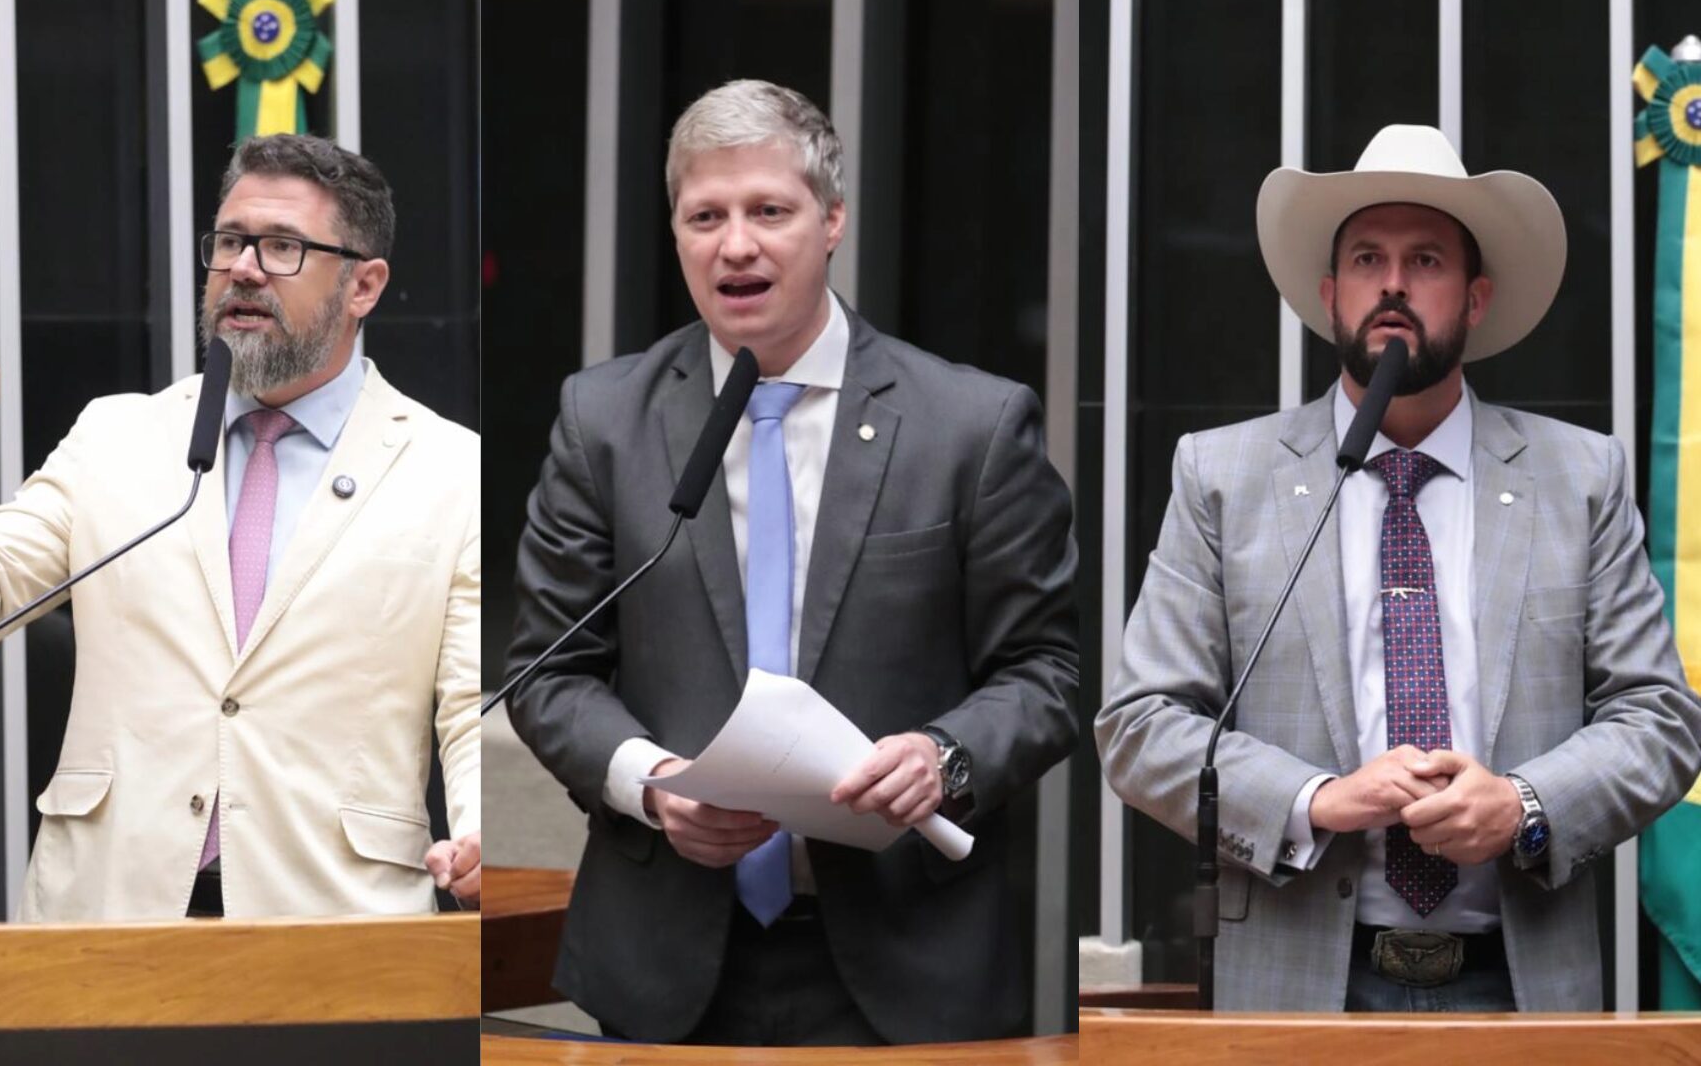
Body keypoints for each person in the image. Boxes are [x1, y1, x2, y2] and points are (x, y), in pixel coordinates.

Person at [505, 79, 1079, 1045]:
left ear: (832, 221)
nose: (737, 244)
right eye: (706, 216)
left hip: (907, 965)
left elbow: (1048, 675)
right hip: (667, 966)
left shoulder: (970, 427)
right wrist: (651, 783)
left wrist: (942, 757)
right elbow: (548, 670)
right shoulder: (602, 422)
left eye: (770, 210)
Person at [1096, 125, 1701, 1012]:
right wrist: (1319, 798)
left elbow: (1659, 721)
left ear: (1477, 297)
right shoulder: (1222, 476)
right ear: (1329, 292)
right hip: (1297, 991)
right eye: (1368, 258)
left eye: (1425, 261)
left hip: (1521, 991)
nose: (1392, 283)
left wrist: (1525, 805)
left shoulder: (1581, 478)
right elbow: (1141, 726)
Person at [0, 134, 481, 920]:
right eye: (232, 242)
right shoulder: (118, 436)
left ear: (363, 286)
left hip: (336, 926)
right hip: (109, 913)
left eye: (282, 247)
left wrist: (481, 835)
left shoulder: (448, 469)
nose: (243, 267)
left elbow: (470, 703)